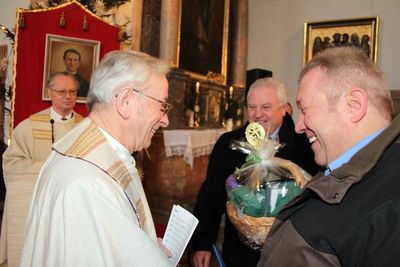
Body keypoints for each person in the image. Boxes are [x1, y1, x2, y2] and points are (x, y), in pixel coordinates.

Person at [20, 50, 174, 266]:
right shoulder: (88, 181)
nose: (165, 120)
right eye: (162, 106)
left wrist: (146, 244)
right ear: (125, 100)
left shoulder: (94, 152)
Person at [257, 47, 399, 266]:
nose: (299, 126)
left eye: (305, 109)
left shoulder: (390, 207)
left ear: (354, 105)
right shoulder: (350, 168)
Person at [192, 77, 319, 267]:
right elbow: (211, 197)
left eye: (266, 107)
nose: (258, 114)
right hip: (240, 253)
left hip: (290, 253)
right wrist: (202, 243)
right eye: (252, 107)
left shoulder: (305, 145)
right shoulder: (228, 144)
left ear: (285, 108)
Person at [0, 72, 84, 267]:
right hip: (35, 206)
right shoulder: (28, 127)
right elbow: (12, 164)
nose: (68, 96)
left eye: (72, 91)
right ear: (50, 93)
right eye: (61, 91)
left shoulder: (86, 129)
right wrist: (52, 168)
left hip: (73, 206)